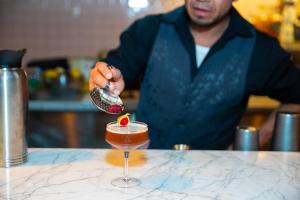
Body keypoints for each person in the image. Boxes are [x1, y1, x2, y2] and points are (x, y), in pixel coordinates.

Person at [89, 0, 300, 150]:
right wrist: (104, 77)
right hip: (147, 166)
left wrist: (255, 140)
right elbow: (115, 67)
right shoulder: (149, 30)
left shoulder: (260, 49)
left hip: (217, 177)